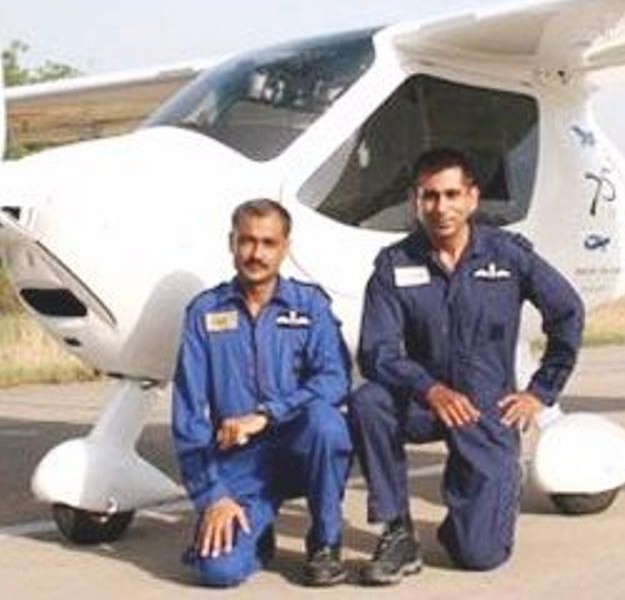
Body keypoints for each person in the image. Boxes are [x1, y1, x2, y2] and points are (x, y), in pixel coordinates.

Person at [350, 148, 584, 585]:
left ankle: (476, 498)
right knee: (368, 400)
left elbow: (567, 312)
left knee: (479, 555)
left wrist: (540, 392)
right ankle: (397, 529)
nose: (442, 207)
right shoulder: (394, 264)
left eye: (452, 194)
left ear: (472, 198)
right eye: (430, 196)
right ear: (415, 200)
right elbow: (377, 352)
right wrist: (430, 389)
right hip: (425, 402)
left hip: (486, 406)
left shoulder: (508, 255)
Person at [172, 198, 352, 587]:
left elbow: (336, 378)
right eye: (247, 241)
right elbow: (188, 415)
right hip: (240, 463)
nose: (256, 253)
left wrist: (269, 414)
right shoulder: (204, 313)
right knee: (217, 571)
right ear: (231, 243)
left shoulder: (310, 305)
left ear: (285, 247)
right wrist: (213, 496)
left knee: (327, 424)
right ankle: (257, 532)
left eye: (268, 243)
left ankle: (325, 542)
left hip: (301, 449)